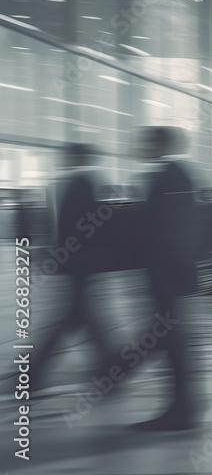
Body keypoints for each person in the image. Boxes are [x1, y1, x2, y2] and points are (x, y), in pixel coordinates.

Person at [33, 143, 114, 388]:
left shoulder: (83, 183)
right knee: (80, 316)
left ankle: (33, 374)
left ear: (77, 157)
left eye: (68, 154)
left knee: (72, 316)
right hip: (76, 261)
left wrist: (63, 254)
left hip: (78, 261)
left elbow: (84, 226)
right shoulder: (72, 182)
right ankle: (111, 367)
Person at [135, 127, 199, 430]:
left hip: (167, 275)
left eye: (147, 142)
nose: (140, 147)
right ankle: (183, 406)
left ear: (161, 144)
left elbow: (173, 230)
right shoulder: (172, 174)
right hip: (167, 274)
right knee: (169, 339)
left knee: (169, 339)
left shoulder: (172, 176)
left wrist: (171, 273)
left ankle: (183, 408)